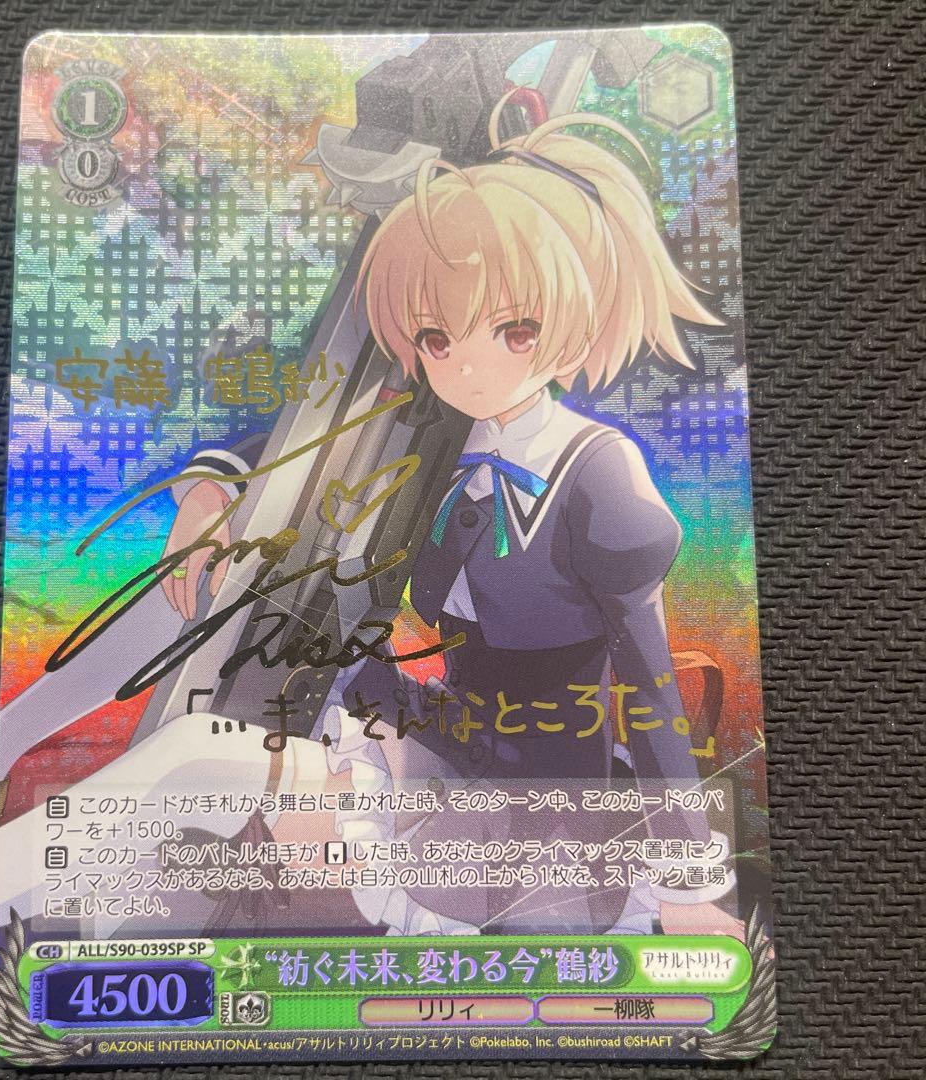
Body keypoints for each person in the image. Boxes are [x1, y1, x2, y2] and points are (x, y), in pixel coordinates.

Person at [164, 100, 744, 939]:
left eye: (513, 330)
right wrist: (210, 491)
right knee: (297, 697)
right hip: (445, 736)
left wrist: (687, 884)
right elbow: (302, 449)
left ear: (575, 317)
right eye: (437, 338)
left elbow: (649, 688)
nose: (465, 366)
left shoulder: (599, 475)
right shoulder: (434, 436)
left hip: (551, 787)